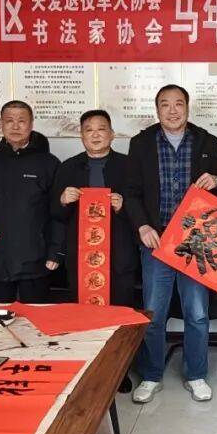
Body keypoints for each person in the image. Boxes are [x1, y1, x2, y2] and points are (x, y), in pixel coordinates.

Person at [124, 84, 217, 404]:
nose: (172, 110)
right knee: (154, 313)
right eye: (165, 104)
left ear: (187, 107)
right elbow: (131, 192)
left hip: (195, 239)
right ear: (157, 110)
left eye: (178, 103)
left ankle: (196, 374)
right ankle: (151, 375)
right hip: (156, 238)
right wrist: (142, 226)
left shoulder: (206, 141)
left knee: (197, 313)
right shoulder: (141, 143)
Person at [55, 109, 140, 393]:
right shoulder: (67, 168)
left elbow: (142, 210)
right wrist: (62, 200)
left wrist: (123, 206)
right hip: (82, 259)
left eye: (101, 129)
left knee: (119, 316)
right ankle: (87, 370)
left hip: (119, 255)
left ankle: (121, 372)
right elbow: (52, 213)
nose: (95, 134)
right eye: (88, 129)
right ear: (81, 135)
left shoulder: (128, 166)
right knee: (84, 316)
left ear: (112, 134)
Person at [0, 101, 63, 304]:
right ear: (1, 124)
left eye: (21, 121)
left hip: (37, 259)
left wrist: (55, 251)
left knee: (36, 318)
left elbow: (57, 212)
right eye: (9, 121)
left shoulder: (49, 163)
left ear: (31, 124)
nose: (15, 126)